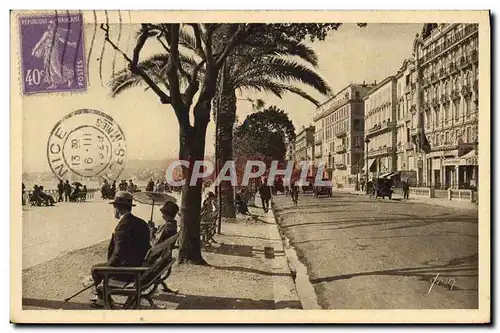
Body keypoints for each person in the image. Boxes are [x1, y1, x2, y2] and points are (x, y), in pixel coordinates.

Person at [90, 191, 151, 308]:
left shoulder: (122, 227)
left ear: (116, 208)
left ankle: (104, 299)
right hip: (141, 266)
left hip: (131, 271)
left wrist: (107, 268)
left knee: (95, 269)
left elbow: (118, 255)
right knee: (101, 268)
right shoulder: (142, 222)